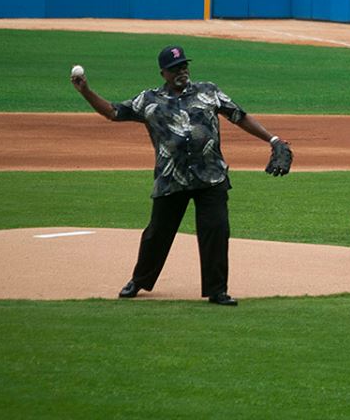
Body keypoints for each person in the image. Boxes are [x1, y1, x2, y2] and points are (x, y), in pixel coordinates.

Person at [69, 46, 293, 306]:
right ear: (163, 72)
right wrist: (85, 91)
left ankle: (217, 290)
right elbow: (113, 112)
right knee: (157, 234)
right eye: (175, 68)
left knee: (216, 231)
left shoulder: (208, 91)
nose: (182, 71)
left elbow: (238, 116)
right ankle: (139, 280)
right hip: (171, 178)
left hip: (211, 177)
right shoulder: (149, 100)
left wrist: (273, 139)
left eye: (184, 65)